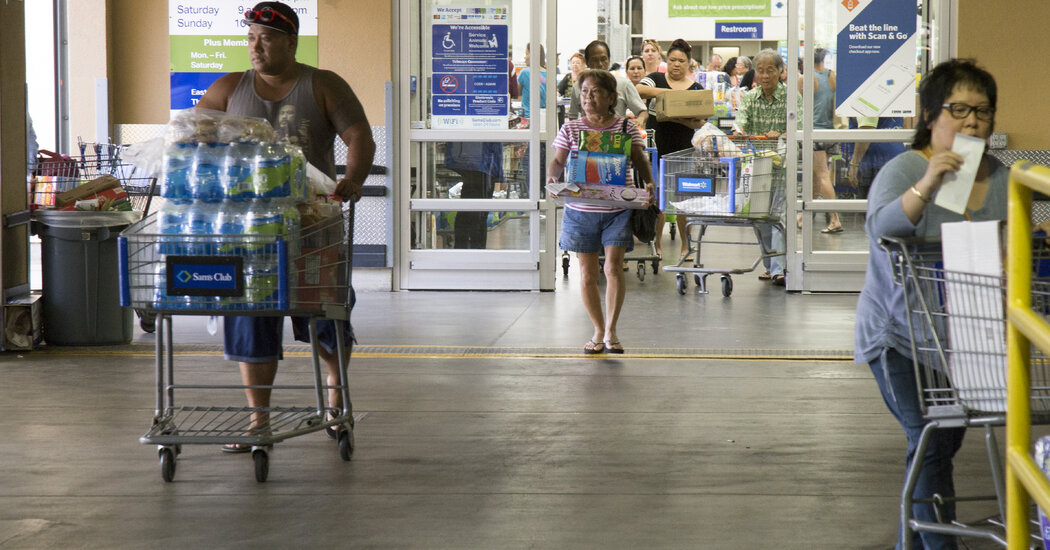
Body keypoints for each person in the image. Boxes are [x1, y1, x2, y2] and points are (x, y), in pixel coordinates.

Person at [194, 1, 376, 452]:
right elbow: (194, 135)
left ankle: (335, 396)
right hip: (249, 234)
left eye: (267, 38)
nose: (256, 47)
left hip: (312, 226)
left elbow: (359, 136)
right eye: (251, 38)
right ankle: (259, 420)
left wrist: (351, 180)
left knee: (325, 316)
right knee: (250, 321)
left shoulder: (323, 85)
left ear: (291, 41)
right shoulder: (229, 89)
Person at [856, 59, 1002, 550]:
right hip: (898, 336)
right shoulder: (906, 167)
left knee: (938, 445)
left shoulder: (998, 176)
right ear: (929, 114)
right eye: (957, 108)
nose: (971, 122)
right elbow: (881, 228)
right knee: (931, 443)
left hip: (965, 337)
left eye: (982, 111)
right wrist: (929, 182)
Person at [548, 69, 655, 355]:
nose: (588, 98)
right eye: (584, 92)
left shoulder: (626, 128)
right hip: (580, 208)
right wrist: (552, 178)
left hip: (618, 207)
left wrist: (651, 183)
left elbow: (639, 159)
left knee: (612, 268)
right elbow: (557, 162)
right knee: (587, 274)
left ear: (611, 98)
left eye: (595, 92)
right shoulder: (571, 128)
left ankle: (611, 331)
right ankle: (597, 329)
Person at [637, 39, 706, 259]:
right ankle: (657, 245)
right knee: (657, 200)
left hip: (684, 150)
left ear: (689, 63)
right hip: (656, 149)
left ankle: (686, 246)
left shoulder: (696, 89)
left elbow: (700, 122)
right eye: (673, 60)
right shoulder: (656, 79)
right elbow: (638, 89)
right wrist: (667, 96)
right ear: (667, 60)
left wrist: (678, 118)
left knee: (683, 200)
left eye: (681, 61)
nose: (676, 64)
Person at [732, 49, 787, 286]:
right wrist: (738, 132)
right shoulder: (750, 98)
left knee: (778, 217)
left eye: (770, 70)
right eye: (761, 71)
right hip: (757, 167)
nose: (764, 76)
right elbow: (740, 123)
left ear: (780, 72)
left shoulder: (791, 98)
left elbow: (800, 127)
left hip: (783, 166)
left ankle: (779, 268)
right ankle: (769, 264)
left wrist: (782, 135)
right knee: (759, 218)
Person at [799, 48, 843, 234]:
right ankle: (803, 215)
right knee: (815, 174)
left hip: (814, 132)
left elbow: (800, 104)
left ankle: (835, 219)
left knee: (822, 174)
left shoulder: (805, 78)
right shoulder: (832, 76)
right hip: (831, 132)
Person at [567, 40, 648, 129]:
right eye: (594, 60)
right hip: (589, 138)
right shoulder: (578, 85)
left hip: (617, 138)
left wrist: (639, 120)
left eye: (603, 59)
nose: (600, 64)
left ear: (609, 60)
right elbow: (573, 116)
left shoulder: (623, 84)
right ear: (587, 62)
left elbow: (642, 111)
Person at [848, 116, 907, 199]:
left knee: (868, 208)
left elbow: (867, 131)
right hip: (894, 156)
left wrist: (854, 164)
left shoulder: (867, 103)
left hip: (874, 160)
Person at [517, 43, 547, 126]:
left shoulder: (525, 72)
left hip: (527, 118)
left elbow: (516, 93)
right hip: (544, 118)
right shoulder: (548, 73)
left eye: (526, 54)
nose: (525, 57)